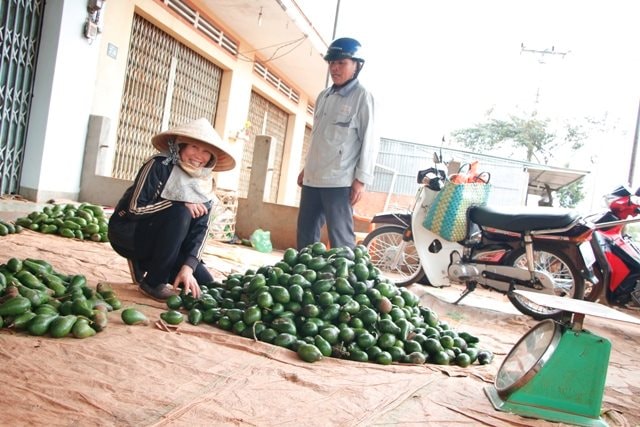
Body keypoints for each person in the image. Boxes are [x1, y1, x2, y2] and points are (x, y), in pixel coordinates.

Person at [108, 118, 236, 301]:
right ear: (180, 146)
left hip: (169, 244)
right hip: (131, 234)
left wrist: (188, 267)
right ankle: (153, 282)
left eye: (206, 151)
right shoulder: (159, 165)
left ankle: (147, 262)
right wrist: (178, 203)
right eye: (193, 147)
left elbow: (202, 230)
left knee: (205, 283)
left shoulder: (205, 183)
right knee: (181, 213)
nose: (199, 155)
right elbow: (134, 209)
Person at [296, 37, 379, 250]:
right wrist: (306, 169)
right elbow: (319, 138)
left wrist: (360, 181)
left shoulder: (363, 97)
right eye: (332, 63)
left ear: (357, 65)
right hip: (313, 179)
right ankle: (305, 280)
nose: (334, 68)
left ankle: (346, 281)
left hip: (339, 182)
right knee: (305, 238)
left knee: (341, 241)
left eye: (341, 62)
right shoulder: (323, 96)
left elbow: (370, 141)